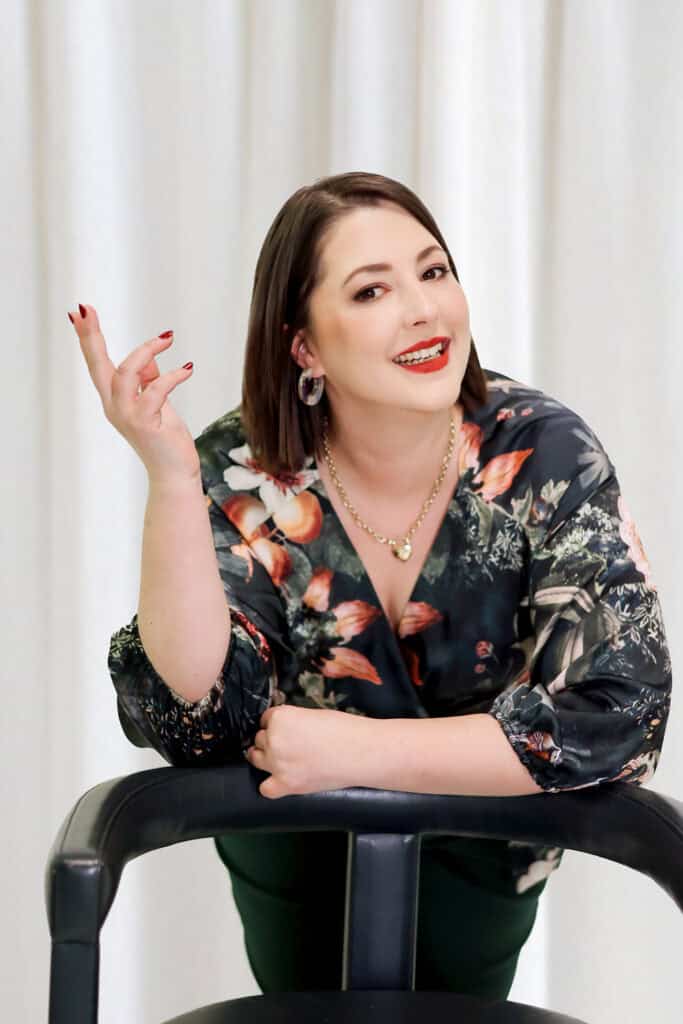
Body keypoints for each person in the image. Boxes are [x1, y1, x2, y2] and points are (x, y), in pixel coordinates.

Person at [70, 171, 672, 1001]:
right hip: (291, 841)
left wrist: (352, 753)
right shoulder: (240, 468)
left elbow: (621, 713)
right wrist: (172, 479)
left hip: (493, 838)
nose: (422, 309)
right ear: (304, 347)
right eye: (370, 290)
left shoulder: (543, 452)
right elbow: (196, 713)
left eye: (433, 271)